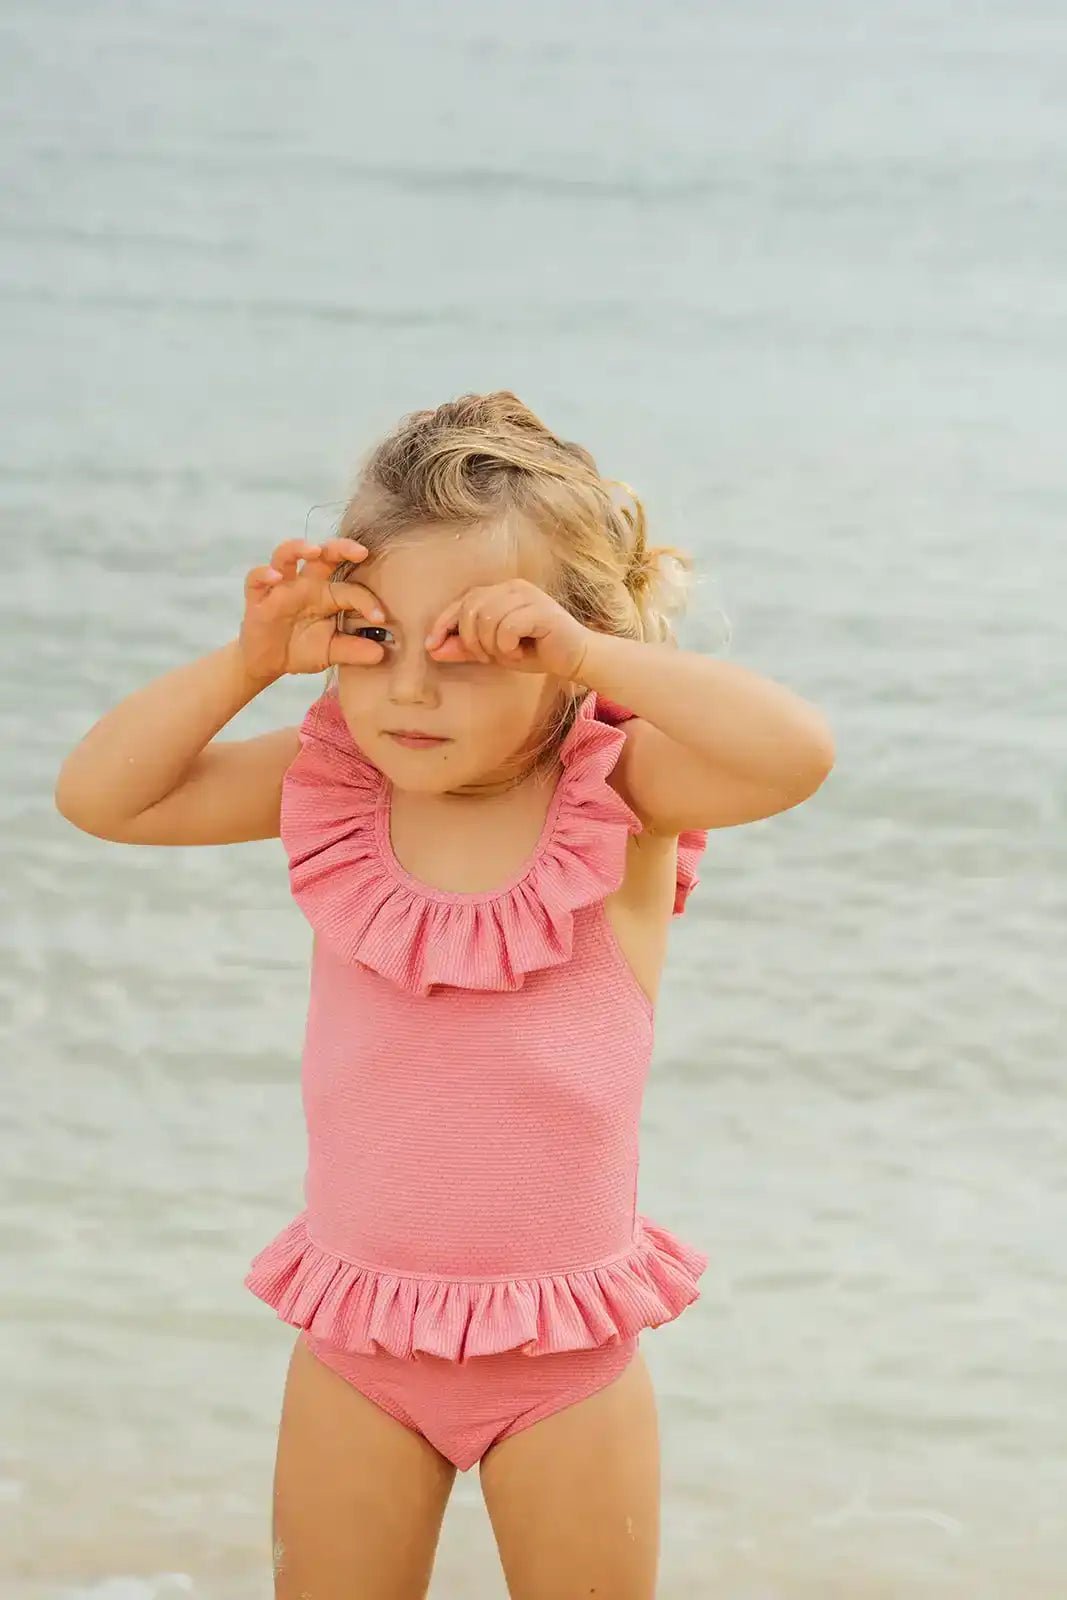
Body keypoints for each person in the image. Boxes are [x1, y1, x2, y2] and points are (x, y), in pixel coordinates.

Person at [55, 391, 835, 1600]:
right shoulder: (335, 785)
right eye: (378, 641)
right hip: (359, 1347)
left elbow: (795, 752)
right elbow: (104, 796)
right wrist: (252, 661)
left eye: (470, 651)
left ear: (554, 647)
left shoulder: (620, 795)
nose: (412, 690)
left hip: (563, 1357)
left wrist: (591, 658)